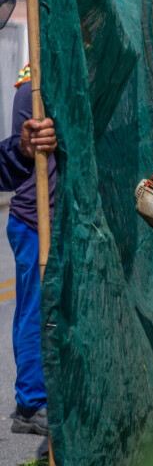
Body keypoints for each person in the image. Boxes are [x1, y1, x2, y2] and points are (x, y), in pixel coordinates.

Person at [2, 64, 58, 437]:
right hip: (34, 221)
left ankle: (49, 392)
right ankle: (31, 403)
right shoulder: (33, 89)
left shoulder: (65, 81)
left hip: (59, 220)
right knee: (34, 310)